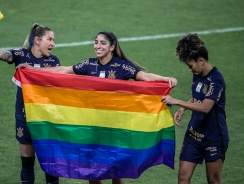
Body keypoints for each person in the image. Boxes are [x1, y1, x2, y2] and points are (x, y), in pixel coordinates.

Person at [17, 31, 177, 184]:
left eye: (102, 43)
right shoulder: (89, 64)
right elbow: (63, 71)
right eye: (96, 43)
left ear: (112, 47)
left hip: (115, 127)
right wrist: (33, 70)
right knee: (92, 170)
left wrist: (164, 79)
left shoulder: (121, 66)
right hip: (93, 127)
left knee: (117, 170)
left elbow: (145, 77)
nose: (98, 46)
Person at [0, 16, 61, 184]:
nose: (53, 44)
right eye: (49, 39)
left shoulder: (54, 61)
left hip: (46, 118)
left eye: (53, 40)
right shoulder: (21, 55)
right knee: (27, 163)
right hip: (24, 116)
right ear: (37, 40)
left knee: (51, 164)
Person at [161, 33, 229, 184]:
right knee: (183, 179)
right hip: (193, 135)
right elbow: (199, 96)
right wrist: (183, 109)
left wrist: (177, 102)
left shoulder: (216, 80)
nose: (190, 69)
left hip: (214, 138)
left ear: (201, 61)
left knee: (213, 180)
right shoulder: (198, 74)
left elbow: (205, 106)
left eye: (190, 65)